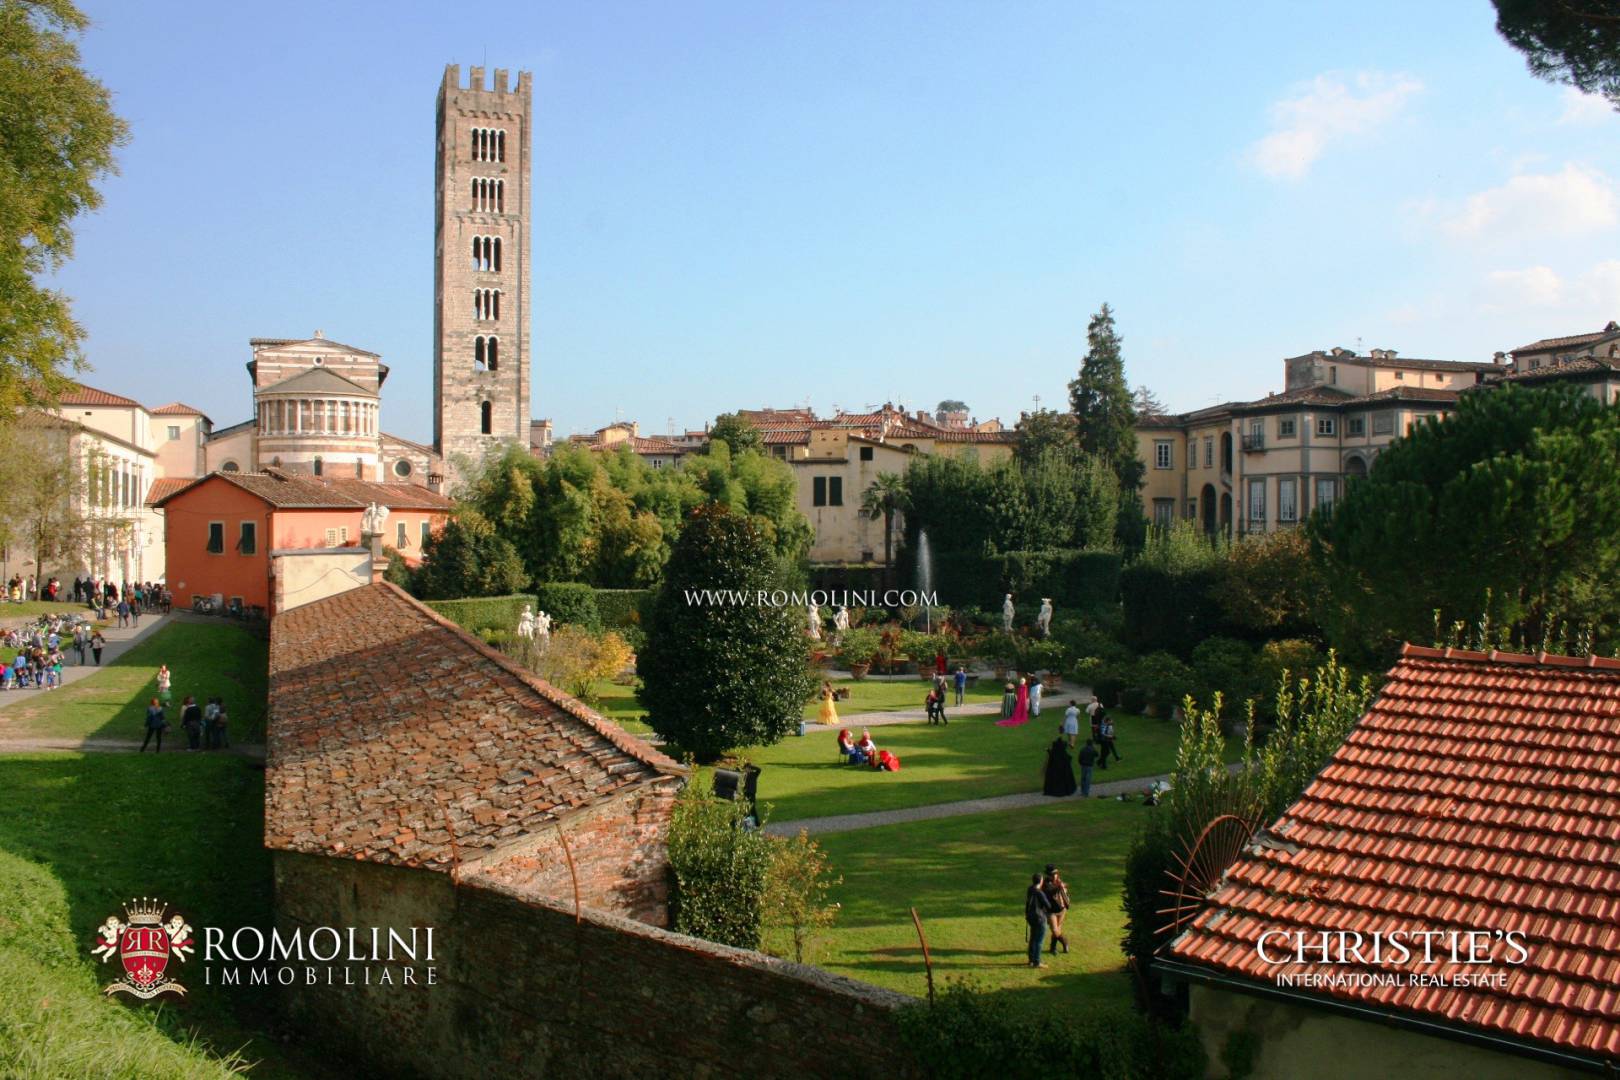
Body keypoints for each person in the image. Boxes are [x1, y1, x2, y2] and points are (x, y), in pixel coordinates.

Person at [1024, 873, 1053, 968]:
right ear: (1040, 881)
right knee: (1039, 941)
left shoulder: (1030, 889)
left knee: (1033, 939)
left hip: (1031, 917)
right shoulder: (1039, 892)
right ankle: (1037, 961)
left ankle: (1031, 959)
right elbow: (1048, 905)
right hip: (1040, 918)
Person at [1042, 866, 1072, 955]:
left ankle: (1053, 948)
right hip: (1051, 911)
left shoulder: (1058, 881)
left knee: (1058, 928)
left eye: (1056, 874)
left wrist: (1063, 888)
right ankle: (1065, 942)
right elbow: (1050, 892)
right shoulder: (1045, 883)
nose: (1055, 876)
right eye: (1052, 874)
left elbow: (1063, 892)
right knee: (1055, 930)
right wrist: (1060, 887)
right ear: (1048, 875)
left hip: (1062, 910)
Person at [1042, 730, 1077, 797]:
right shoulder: (1063, 754)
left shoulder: (1055, 753)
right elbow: (1068, 758)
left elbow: (1052, 755)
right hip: (1062, 771)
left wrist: (1048, 750)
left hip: (1055, 771)